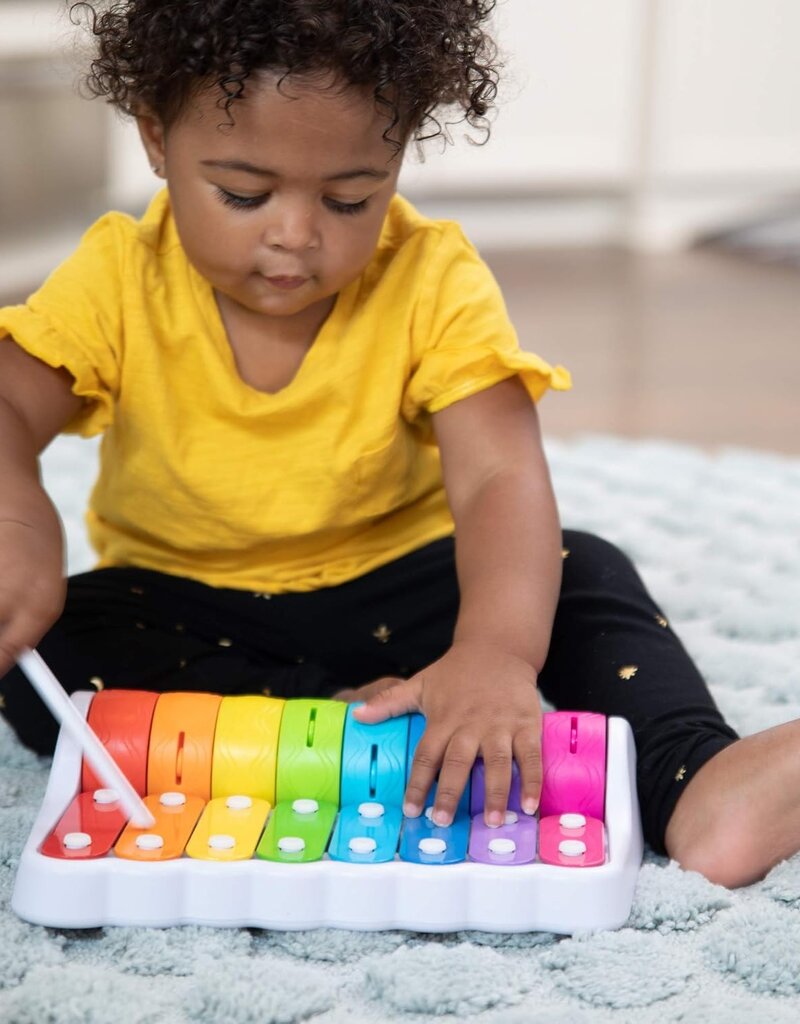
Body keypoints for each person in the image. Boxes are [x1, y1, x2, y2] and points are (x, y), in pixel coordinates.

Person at [0, 0, 795, 890]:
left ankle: (698, 782)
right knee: (53, 641)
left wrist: (497, 651)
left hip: (411, 592)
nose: (295, 235)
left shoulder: (432, 277)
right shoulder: (118, 273)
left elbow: (499, 476)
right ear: (154, 139)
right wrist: (14, 513)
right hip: (193, 601)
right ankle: (332, 721)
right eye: (243, 194)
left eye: (351, 198)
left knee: (577, 569)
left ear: (399, 156)